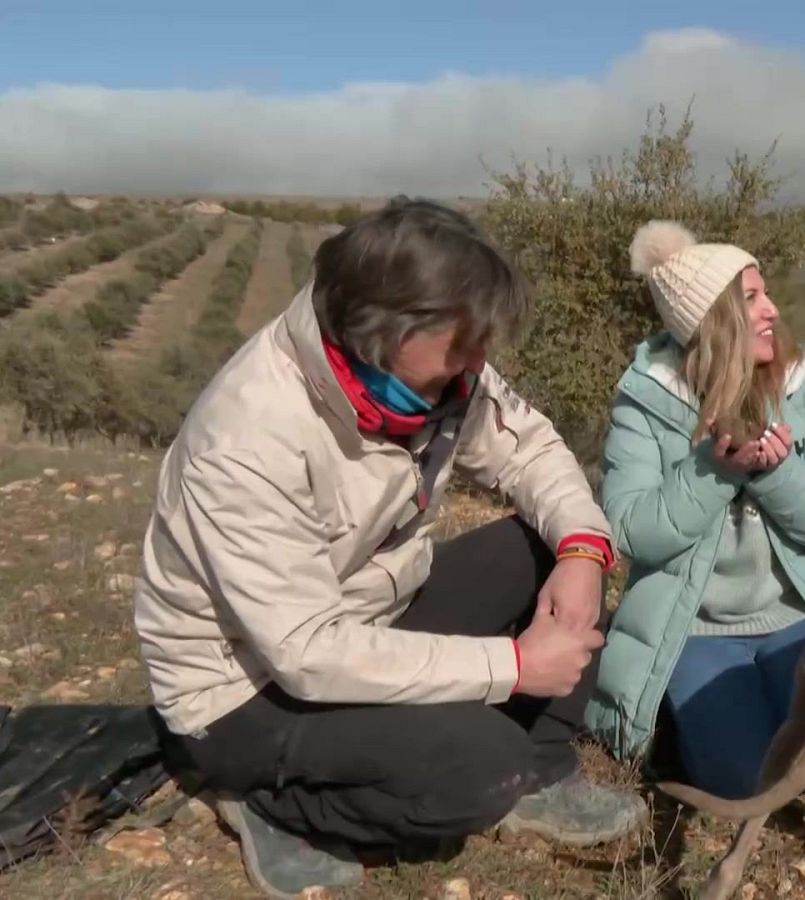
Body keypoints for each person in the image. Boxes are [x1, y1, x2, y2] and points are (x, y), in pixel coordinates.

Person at [131, 198, 646, 899]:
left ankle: (542, 772)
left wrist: (583, 555)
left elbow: (528, 451)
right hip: (245, 688)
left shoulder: (437, 371)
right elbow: (307, 653)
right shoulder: (249, 434)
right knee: (478, 768)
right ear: (383, 330)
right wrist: (514, 665)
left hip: (367, 613)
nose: (479, 360)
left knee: (546, 546)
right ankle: (270, 802)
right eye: (464, 342)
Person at [584, 220, 805, 798]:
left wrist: (775, 473)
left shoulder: (801, 388)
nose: (772, 310)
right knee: (743, 778)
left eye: (765, 292)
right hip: (695, 629)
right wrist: (716, 470)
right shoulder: (644, 403)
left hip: (794, 616)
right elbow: (630, 530)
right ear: (710, 321)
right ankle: (677, 721)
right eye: (752, 298)